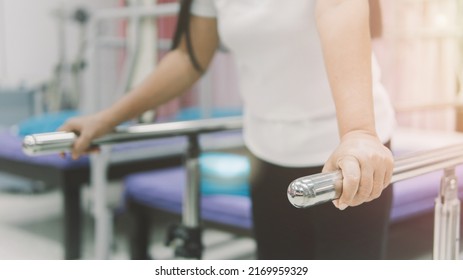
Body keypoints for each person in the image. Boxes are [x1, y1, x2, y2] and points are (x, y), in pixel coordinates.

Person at [60, 0, 396, 259]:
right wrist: (108, 119)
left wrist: (358, 132)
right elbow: (189, 56)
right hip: (267, 150)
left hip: (345, 158)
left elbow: (340, 8)